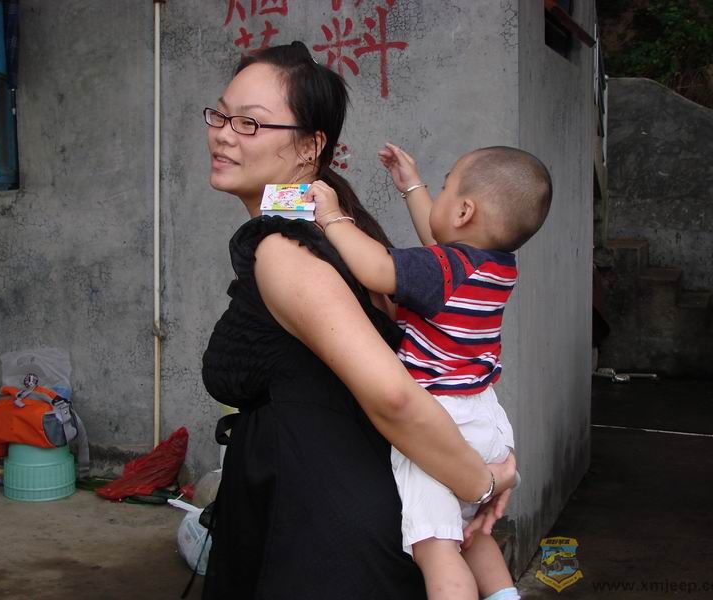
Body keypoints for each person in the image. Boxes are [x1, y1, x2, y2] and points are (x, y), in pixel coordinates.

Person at [200, 41, 518, 599]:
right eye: (221, 115)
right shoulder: (336, 225)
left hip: (325, 538)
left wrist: (481, 482)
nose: (225, 134)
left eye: (250, 123)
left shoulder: (284, 251)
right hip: (322, 512)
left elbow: (393, 396)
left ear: (310, 146)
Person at [307, 142, 553, 600]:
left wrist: (333, 217)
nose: (435, 197)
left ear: (464, 211)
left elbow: (378, 269)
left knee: (436, 546)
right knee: (473, 533)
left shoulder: (443, 269)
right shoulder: (495, 267)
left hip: (439, 422)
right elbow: (441, 240)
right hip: (485, 418)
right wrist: (413, 187)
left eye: (443, 189)